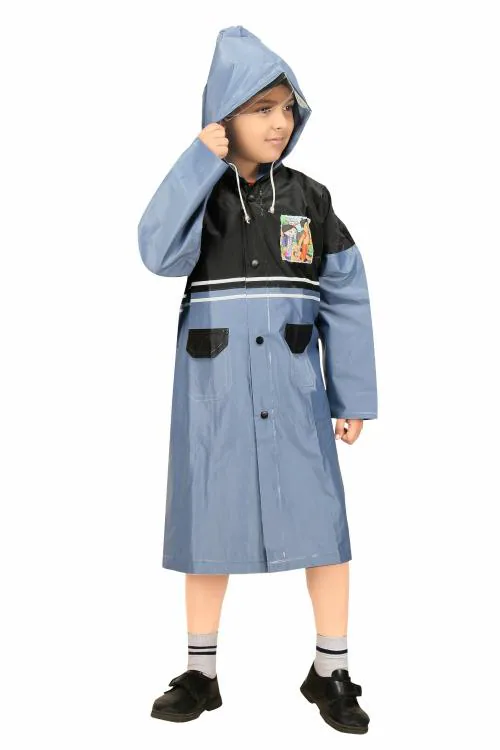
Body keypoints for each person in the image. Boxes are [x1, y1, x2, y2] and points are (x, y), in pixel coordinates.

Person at [138, 26, 378, 734]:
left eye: (287, 108)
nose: (280, 122)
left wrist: (353, 395)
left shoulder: (311, 199)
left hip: (296, 397)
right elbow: (156, 252)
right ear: (224, 116)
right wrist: (196, 160)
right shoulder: (199, 197)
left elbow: (346, 295)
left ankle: (330, 669)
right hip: (213, 398)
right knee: (206, 528)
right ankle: (200, 672)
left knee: (324, 529)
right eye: (261, 108)